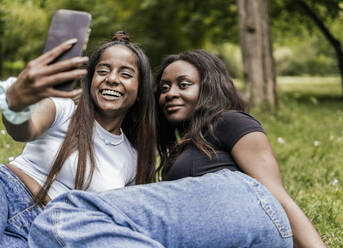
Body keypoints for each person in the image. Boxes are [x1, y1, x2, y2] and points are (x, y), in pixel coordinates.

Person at [29, 50, 326, 247]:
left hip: (246, 204)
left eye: (183, 84)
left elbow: (275, 195)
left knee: (63, 214)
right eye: (164, 87)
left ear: (208, 88)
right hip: (239, 236)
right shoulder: (175, 150)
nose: (170, 93)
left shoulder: (228, 122)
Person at [0, 31, 157, 247]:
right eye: (103, 71)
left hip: (53, 235)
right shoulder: (65, 109)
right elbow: (23, 130)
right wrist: (16, 106)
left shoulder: (133, 160)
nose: (111, 79)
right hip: (6, 192)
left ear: (140, 91)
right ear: (91, 80)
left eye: (126, 74)